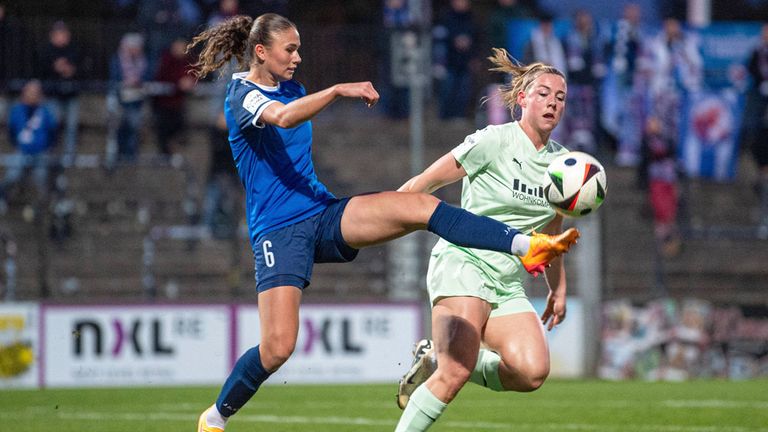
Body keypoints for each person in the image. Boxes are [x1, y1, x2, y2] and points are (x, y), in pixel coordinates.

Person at [187, 14, 579, 432]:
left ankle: (523, 245)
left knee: (419, 207)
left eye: (299, 48)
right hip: (279, 231)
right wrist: (338, 90)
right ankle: (214, 418)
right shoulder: (239, 93)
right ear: (261, 51)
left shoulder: (293, 88)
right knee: (278, 347)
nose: (298, 57)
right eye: (291, 49)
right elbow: (282, 118)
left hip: (322, 213)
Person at [394, 49, 577, 431]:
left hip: (507, 281)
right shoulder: (493, 141)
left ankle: (433, 356)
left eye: (560, 97)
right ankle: (443, 363)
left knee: (531, 372)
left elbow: (551, 235)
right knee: (455, 372)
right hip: (464, 262)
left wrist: (558, 288)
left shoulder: (564, 166)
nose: (552, 103)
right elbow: (422, 185)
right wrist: (381, 219)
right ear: (522, 98)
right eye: (543, 93)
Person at [0, 80, 58, 210]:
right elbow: (11, 131)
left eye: (35, 93)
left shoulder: (45, 111)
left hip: (41, 152)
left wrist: (48, 147)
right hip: (22, 151)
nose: (32, 95)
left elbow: (52, 131)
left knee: (42, 179)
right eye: (29, 92)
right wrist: (17, 144)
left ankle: (43, 207)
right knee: (12, 175)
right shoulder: (17, 110)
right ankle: (3, 196)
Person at [38, 20, 80, 166]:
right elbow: (40, 72)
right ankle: (50, 152)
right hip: (52, 95)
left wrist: (71, 71)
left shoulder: (74, 50)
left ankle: (69, 156)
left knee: (71, 127)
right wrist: (54, 68)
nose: (62, 36)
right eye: (59, 34)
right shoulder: (45, 51)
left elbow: (83, 70)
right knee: (52, 125)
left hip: (70, 95)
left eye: (64, 33)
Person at [151, 38, 195, 156]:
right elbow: (161, 77)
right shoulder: (166, 60)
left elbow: (194, 74)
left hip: (179, 103)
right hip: (163, 103)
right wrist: (178, 83)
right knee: (164, 130)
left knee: (179, 128)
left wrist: (190, 82)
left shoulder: (187, 61)